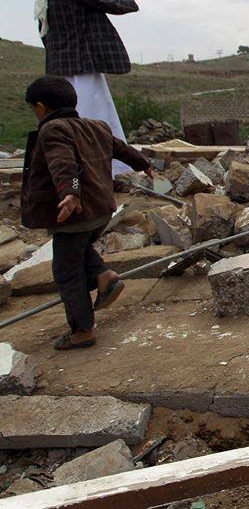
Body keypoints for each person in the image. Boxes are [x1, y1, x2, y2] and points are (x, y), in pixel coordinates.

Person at [20, 76, 152, 350]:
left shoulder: (53, 129)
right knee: (78, 252)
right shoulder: (96, 127)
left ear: (41, 107)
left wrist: (71, 192)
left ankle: (82, 331)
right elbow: (122, 149)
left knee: (67, 272)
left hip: (75, 214)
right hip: (100, 211)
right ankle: (103, 276)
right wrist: (144, 164)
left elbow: (63, 163)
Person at [41, 0, 143, 177]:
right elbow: (107, 3)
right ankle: (103, 167)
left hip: (62, 62)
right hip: (81, 62)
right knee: (92, 112)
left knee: (69, 115)